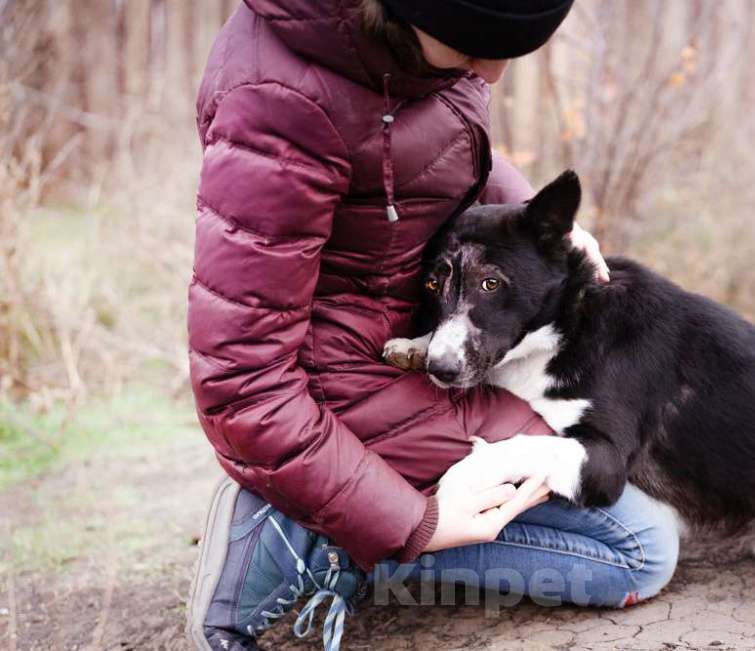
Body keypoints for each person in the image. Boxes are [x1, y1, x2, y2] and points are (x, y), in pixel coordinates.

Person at [184, 1, 680, 649]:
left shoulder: (412, 48)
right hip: (340, 384)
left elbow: (435, 151)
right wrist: (412, 523)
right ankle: (299, 541)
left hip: (419, 346)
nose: (494, 74)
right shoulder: (279, 105)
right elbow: (242, 383)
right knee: (636, 548)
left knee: (616, 467)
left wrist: (532, 225)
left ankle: (329, 514)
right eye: (476, 50)